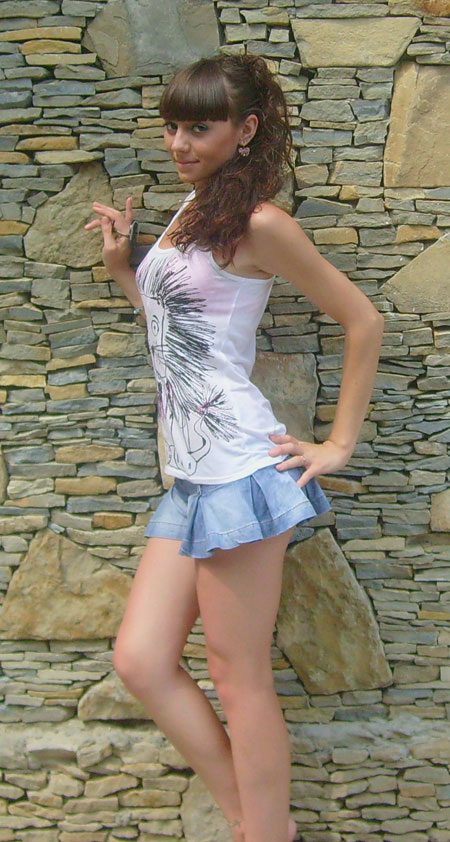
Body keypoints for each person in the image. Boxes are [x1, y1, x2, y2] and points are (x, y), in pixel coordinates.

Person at [85, 53, 384, 842]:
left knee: (237, 674)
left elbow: (363, 321)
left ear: (246, 130)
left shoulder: (260, 224)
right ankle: (258, 826)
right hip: (189, 474)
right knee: (141, 659)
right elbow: (179, 332)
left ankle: (264, 832)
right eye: (172, 126)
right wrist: (123, 268)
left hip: (240, 471)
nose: (179, 143)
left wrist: (338, 442)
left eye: (199, 127)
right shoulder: (192, 210)